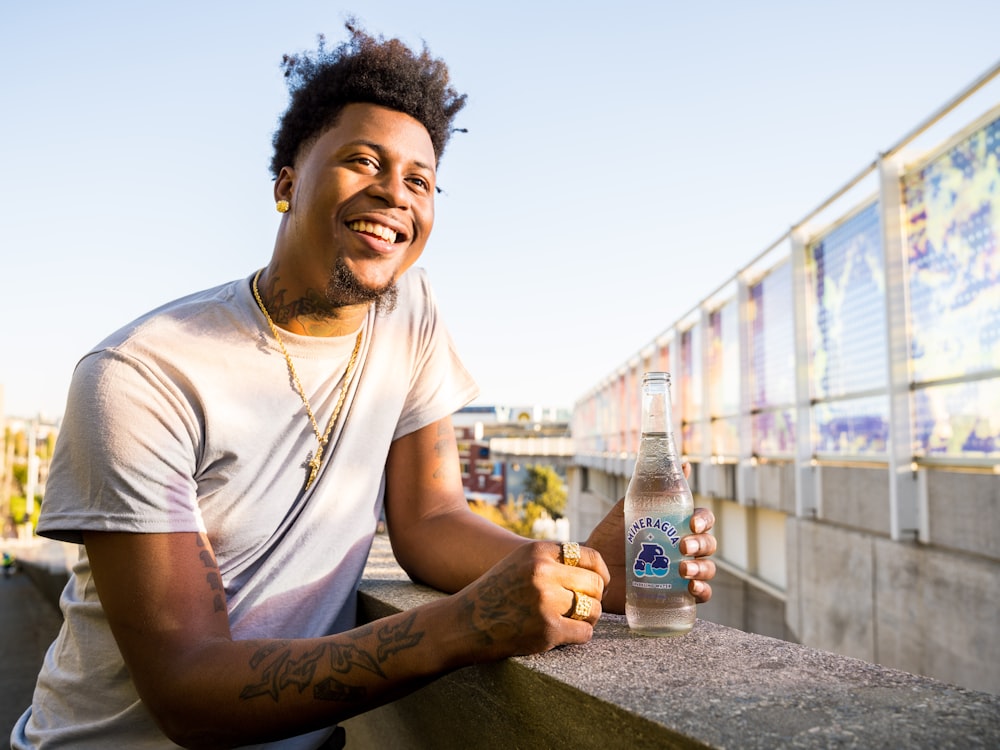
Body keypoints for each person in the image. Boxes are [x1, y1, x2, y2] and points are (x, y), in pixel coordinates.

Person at [12, 22, 717, 750]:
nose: (394, 194)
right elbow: (188, 691)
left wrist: (587, 574)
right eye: (362, 161)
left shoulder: (409, 314)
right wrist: (465, 625)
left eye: (420, 179)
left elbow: (430, 521)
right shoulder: (142, 376)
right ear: (286, 183)